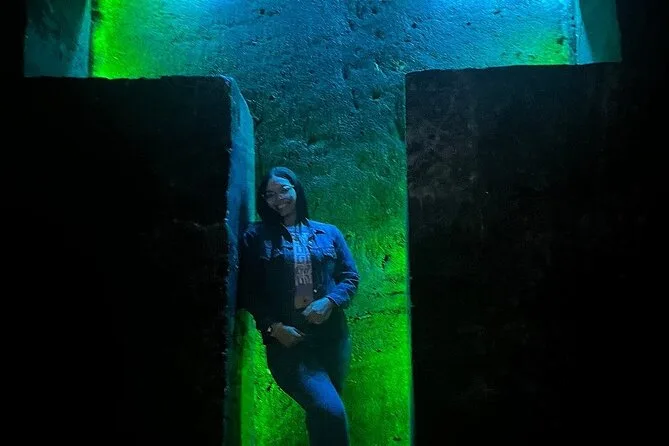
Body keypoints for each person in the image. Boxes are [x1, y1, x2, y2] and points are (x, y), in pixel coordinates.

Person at [237, 166, 359, 445]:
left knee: (322, 416)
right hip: (289, 343)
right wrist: (273, 327)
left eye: (283, 190)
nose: (278, 199)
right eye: (269, 195)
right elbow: (248, 291)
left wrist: (330, 301)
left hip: (333, 339)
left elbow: (350, 277)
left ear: (296, 189)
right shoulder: (256, 237)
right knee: (331, 412)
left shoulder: (329, 233)